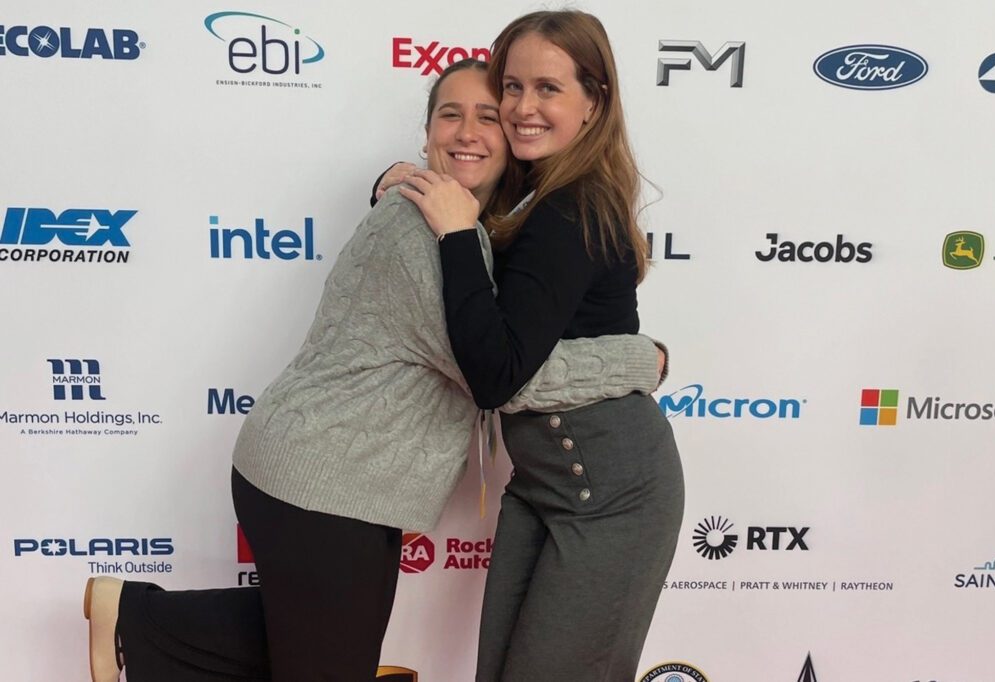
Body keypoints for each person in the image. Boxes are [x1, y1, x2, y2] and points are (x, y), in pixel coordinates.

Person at [82, 59, 666, 682]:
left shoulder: (469, 230)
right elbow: (501, 372)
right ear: (426, 134)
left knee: (328, 649)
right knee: (331, 664)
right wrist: (640, 358)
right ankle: (141, 620)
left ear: (514, 141)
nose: (467, 131)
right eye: (450, 114)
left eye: (488, 116)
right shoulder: (421, 236)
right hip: (320, 481)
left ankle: (136, 619)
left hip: (346, 482)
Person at [397, 12, 686, 681]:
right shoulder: (533, 189)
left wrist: (455, 237)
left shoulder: (571, 207)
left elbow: (496, 372)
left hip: (614, 495)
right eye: (513, 86)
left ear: (595, 102)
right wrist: (397, 178)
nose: (523, 108)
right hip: (541, 484)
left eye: (548, 89)